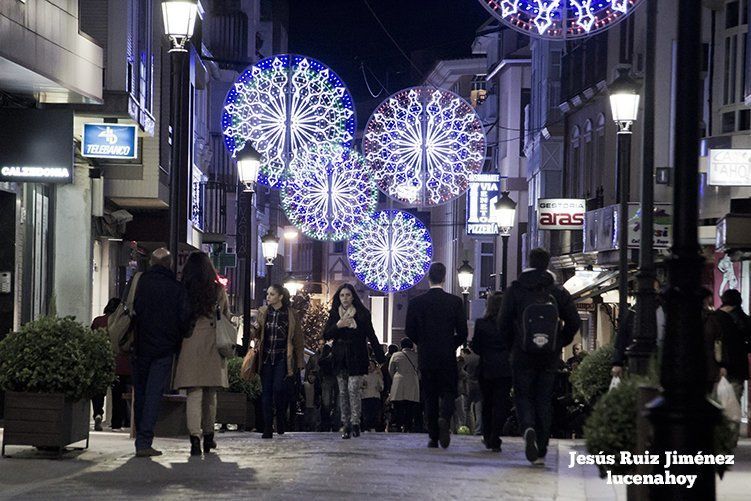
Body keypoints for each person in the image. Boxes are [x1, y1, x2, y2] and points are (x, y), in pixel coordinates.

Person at [497, 248, 580, 465]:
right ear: (548, 264)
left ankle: (528, 427)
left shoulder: (516, 290)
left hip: (522, 354)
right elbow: (574, 322)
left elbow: (503, 323)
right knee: (543, 399)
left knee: (523, 395)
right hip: (549, 356)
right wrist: (559, 342)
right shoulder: (557, 291)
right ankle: (542, 448)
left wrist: (513, 346)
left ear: (529, 262)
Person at [132, 248, 191, 457]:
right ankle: (144, 440)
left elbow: (133, 309)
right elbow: (184, 319)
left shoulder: (140, 282)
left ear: (151, 263)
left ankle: (140, 438)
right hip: (164, 348)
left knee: (139, 392)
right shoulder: (176, 288)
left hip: (141, 347)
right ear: (169, 265)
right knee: (153, 393)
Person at [405, 262, 468, 449]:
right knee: (449, 391)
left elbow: (409, 330)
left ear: (428, 277)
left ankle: (433, 436)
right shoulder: (455, 302)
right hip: (447, 355)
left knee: (430, 395)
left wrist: (422, 343)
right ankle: (445, 419)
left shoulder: (416, 303)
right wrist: (451, 344)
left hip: (427, 356)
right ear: (444, 277)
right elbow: (463, 332)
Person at [173, 252, 230, 456]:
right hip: (212, 341)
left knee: (194, 394)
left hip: (190, 340)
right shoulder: (218, 290)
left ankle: (194, 439)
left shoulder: (184, 290)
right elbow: (226, 315)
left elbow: (178, 316)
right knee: (210, 394)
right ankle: (209, 436)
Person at [323, 283, 386, 439]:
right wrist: (338, 325)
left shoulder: (362, 314)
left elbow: (371, 335)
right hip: (340, 357)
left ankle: (355, 421)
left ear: (353, 297)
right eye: (342, 295)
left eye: (348, 295)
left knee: (353, 389)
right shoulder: (335, 315)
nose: (345, 298)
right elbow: (325, 335)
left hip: (357, 357)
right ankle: (345, 424)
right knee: (343, 392)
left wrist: (380, 357)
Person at [252, 284, 305, 439]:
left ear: (280, 296)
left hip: (283, 357)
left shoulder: (290, 314)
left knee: (279, 389)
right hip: (267, 357)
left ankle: (280, 417)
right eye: (267, 294)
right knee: (266, 392)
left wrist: (300, 361)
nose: (268, 297)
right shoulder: (264, 312)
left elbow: (298, 339)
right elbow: (257, 333)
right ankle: (268, 427)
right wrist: (254, 329)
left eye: (272, 294)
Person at [706, 289, 751, 446]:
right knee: (733, 405)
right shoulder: (743, 320)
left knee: (717, 404)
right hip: (737, 369)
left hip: (716, 371)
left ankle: (717, 440)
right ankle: (730, 441)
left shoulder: (713, 319)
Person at [470, 291, 512, 453]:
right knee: (501, 403)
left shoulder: (482, 323)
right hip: (505, 369)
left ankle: (487, 435)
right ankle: (495, 435)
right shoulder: (510, 324)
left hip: (487, 368)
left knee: (487, 403)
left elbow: (476, 346)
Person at [91, 298, 125, 431]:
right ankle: (116, 423)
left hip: (101, 361)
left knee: (99, 391)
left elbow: (92, 339)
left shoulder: (98, 321)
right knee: (118, 394)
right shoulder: (121, 323)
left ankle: (98, 413)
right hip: (119, 363)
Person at [388, 338, 420, 432]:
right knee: (410, 406)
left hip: (399, 382)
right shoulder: (416, 355)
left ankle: (398, 425)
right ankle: (408, 426)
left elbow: (391, 370)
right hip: (413, 381)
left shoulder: (396, 355)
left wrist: (395, 377)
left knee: (398, 406)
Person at [317, 342, 339, 431]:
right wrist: (329, 357)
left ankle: (336, 426)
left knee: (339, 404)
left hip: (340, 376)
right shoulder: (328, 346)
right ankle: (325, 426)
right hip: (328, 376)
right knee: (326, 403)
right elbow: (320, 362)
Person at [462, 347, 482, 435]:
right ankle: (478, 430)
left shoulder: (466, 358)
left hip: (468, 385)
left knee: (466, 408)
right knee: (479, 409)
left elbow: (461, 370)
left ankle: (467, 428)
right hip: (479, 385)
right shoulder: (481, 358)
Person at [361, 360, 384, 431]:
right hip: (365, 396)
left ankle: (373, 426)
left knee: (374, 413)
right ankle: (366, 426)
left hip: (375, 396)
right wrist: (362, 385)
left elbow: (382, 385)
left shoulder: (377, 375)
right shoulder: (363, 376)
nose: (370, 367)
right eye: (369, 365)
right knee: (366, 413)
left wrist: (380, 388)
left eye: (372, 365)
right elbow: (360, 385)